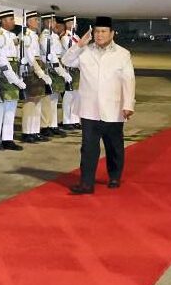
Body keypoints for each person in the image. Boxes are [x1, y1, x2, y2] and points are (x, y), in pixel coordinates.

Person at [63, 17, 135, 194]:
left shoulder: (122, 54)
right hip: (90, 109)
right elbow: (66, 61)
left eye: (103, 31)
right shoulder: (85, 52)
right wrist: (80, 44)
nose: (99, 35)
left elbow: (129, 80)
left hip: (113, 109)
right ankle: (86, 183)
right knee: (88, 148)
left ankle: (114, 176)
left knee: (114, 146)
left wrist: (128, 104)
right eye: (97, 31)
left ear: (112, 33)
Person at [0, 10, 27, 151]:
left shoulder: (12, 36)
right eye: (11, 19)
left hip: (15, 70)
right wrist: (15, 79)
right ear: (4, 21)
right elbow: (3, 61)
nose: (13, 22)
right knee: (0, 108)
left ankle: (7, 138)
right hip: (5, 75)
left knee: (11, 108)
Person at [20, 11, 52, 144]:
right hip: (31, 69)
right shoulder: (26, 36)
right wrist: (40, 73)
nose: (38, 22)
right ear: (28, 22)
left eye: (38, 20)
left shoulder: (34, 35)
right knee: (30, 102)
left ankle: (34, 131)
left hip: (38, 67)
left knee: (38, 101)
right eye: (35, 20)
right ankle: (27, 132)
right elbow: (30, 57)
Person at [39, 12, 67, 138]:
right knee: (48, 99)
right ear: (46, 22)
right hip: (50, 68)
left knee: (54, 99)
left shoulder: (53, 35)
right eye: (52, 21)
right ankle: (46, 125)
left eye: (54, 21)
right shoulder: (45, 36)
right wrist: (60, 70)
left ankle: (53, 124)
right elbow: (50, 55)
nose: (54, 23)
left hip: (56, 66)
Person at [59, 15, 81, 130]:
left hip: (76, 68)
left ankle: (75, 119)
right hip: (69, 68)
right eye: (73, 22)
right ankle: (66, 121)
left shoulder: (76, 37)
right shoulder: (65, 37)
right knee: (68, 95)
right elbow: (71, 52)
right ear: (67, 24)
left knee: (76, 95)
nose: (75, 25)